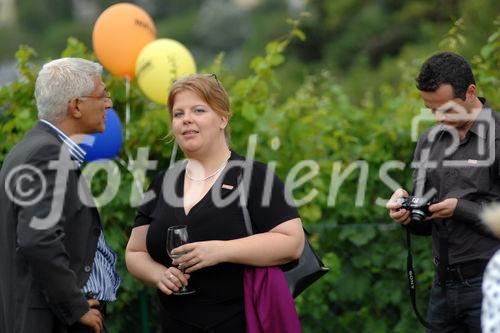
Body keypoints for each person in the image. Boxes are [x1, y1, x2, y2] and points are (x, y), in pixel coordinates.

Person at [125, 73, 304, 332]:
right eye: (178, 114)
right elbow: (135, 252)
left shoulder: (254, 177)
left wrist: (220, 251)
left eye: (198, 110)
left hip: (242, 323)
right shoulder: (162, 183)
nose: (186, 119)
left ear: (222, 118)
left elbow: (292, 242)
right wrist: (160, 275)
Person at [0, 58, 120, 333]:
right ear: (76, 105)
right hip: (56, 321)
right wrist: (75, 306)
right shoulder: (47, 154)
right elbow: (37, 240)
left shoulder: (33, 149)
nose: (109, 104)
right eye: (102, 95)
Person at [386, 51, 500, 332]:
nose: (438, 118)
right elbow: (424, 221)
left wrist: (460, 209)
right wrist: (406, 212)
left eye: (446, 109)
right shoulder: (429, 141)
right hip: (443, 287)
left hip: (493, 283)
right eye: (431, 109)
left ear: (470, 92)